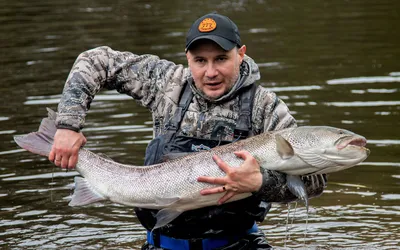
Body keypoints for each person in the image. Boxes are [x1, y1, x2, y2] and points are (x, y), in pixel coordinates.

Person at [49, 12, 327, 249]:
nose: (210, 72)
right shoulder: (167, 83)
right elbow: (96, 60)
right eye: (200, 61)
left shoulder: (265, 106)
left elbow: (314, 181)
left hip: (237, 244)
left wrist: (260, 182)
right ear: (188, 58)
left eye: (221, 59)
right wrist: (67, 126)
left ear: (241, 54)